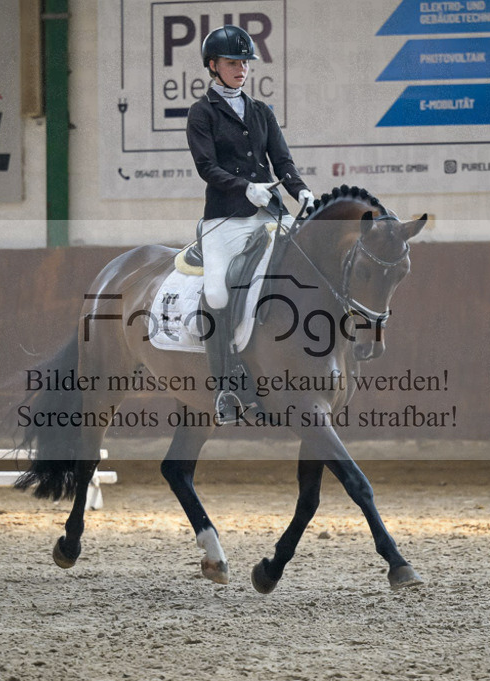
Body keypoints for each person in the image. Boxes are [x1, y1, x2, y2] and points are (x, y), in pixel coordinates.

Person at [186, 24, 315, 424]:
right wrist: (246, 188)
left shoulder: (261, 111)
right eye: (232, 63)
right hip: (226, 216)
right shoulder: (202, 113)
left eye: (245, 63)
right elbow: (207, 167)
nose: (241, 69)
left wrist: (301, 191)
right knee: (219, 295)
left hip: (270, 212)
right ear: (213, 66)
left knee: (307, 272)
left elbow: (283, 160)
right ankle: (226, 386)